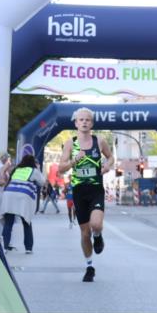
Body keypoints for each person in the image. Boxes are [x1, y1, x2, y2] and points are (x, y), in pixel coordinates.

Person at [57, 107, 114, 282]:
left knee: (96, 224)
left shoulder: (99, 141)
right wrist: (75, 160)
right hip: (79, 191)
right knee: (84, 233)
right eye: (81, 119)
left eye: (87, 120)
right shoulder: (70, 143)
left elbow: (110, 157)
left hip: (96, 189)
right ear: (75, 123)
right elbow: (61, 168)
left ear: (92, 123)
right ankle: (89, 266)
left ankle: (98, 236)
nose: (84, 122)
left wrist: (107, 166)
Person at [0, 154, 46, 253]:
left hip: (9, 195)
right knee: (26, 222)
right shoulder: (34, 171)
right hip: (23, 196)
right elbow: (42, 182)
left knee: (8, 223)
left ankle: (4, 247)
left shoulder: (16, 169)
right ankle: (28, 248)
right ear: (33, 163)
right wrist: (38, 170)